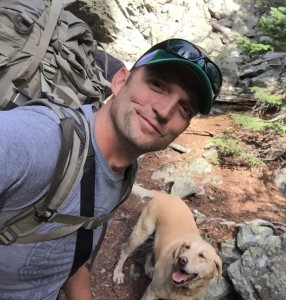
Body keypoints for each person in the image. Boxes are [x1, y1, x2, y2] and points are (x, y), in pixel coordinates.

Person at [0, 38, 222, 299]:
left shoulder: (126, 172)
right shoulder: (37, 140)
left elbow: (73, 246)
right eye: (157, 84)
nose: (163, 111)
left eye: (185, 108)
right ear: (119, 81)